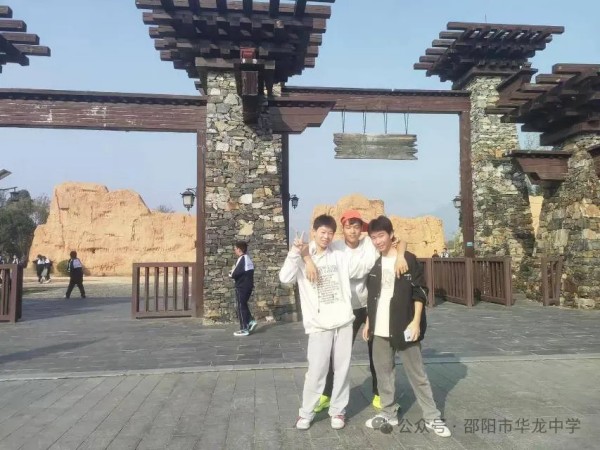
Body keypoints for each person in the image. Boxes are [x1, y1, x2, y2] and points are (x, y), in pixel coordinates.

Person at [312, 210, 408, 414]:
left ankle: (379, 393)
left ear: (361, 229)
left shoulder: (368, 244)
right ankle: (327, 394)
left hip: (371, 305)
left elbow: (400, 241)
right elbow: (311, 249)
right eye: (349, 227)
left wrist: (400, 256)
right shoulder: (336, 246)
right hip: (346, 308)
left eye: (356, 227)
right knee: (336, 354)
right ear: (343, 229)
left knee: (377, 352)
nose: (353, 231)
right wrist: (308, 261)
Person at [363, 216, 451, 437]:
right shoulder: (375, 264)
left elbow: (419, 291)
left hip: (404, 324)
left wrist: (415, 321)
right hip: (379, 329)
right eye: (373, 237)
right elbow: (373, 296)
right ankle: (388, 413)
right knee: (383, 374)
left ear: (391, 235)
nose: (377, 241)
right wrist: (369, 322)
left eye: (381, 236)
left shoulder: (408, 259)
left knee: (417, 374)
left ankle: (432, 417)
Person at [279, 214, 354, 431]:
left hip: (343, 320)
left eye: (330, 233)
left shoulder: (338, 253)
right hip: (319, 324)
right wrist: (299, 254)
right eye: (322, 232)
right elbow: (285, 278)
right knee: (316, 370)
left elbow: (359, 246)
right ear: (314, 232)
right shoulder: (303, 253)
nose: (326, 237)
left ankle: (338, 410)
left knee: (342, 369)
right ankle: (306, 412)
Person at [229, 241, 257, 337]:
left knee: (241, 306)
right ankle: (251, 321)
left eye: (235, 249)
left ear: (239, 249)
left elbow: (235, 273)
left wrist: (230, 273)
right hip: (248, 286)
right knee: (243, 304)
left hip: (241, 286)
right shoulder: (248, 259)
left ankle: (244, 328)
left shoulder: (242, 259)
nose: (234, 250)